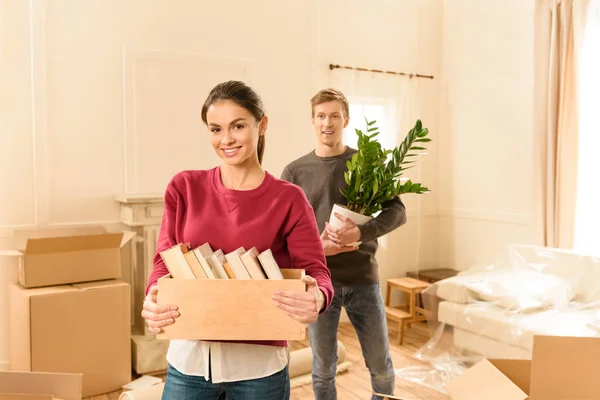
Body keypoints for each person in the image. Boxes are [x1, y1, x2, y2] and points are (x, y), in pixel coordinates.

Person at [141, 80, 334, 400]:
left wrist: (317, 298)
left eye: (238, 126)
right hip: (188, 364)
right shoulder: (184, 187)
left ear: (262, 126)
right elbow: (164, 260)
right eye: (215, 129)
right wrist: (153, 295)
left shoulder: (289, 199)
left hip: (259, 371)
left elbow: (317, 272)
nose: (226, 139)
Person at [281, 88, 407, 400]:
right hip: (319, 284)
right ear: (312, 120)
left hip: (364, 280)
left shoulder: (365, 163)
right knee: (323, 369)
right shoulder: (294, 172)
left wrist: (362, 233)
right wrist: (316, 249)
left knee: (381, 365)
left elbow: (398, 211)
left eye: (334, 116)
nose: (328, 122)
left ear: (345, 119)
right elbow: (283, 232)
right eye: (321, 116)